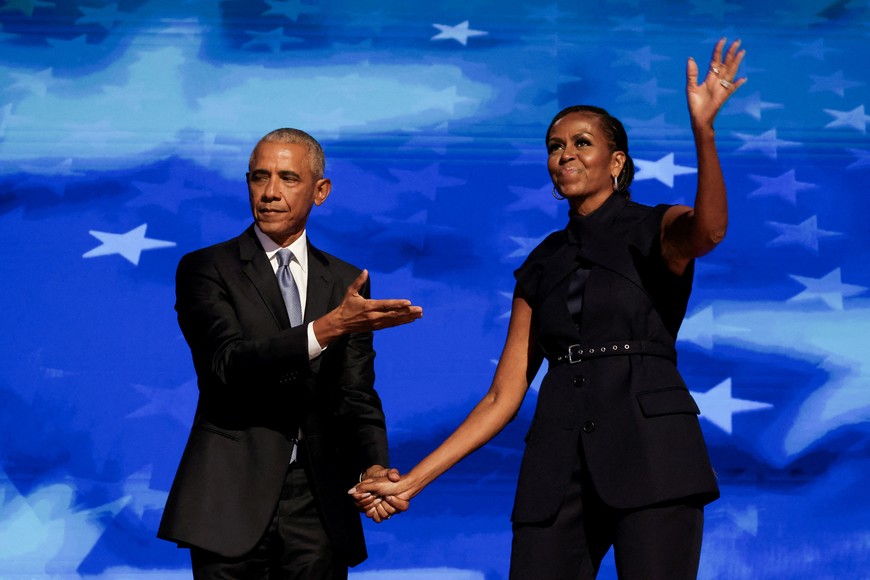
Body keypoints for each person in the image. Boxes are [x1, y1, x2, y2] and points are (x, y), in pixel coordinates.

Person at [352, 38, 746, 578]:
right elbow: (502, 396)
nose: (565, 154)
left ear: (617, 162)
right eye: (555, 145)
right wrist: (412, 482)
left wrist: (704, 131)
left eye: (582, 142)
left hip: (654, 455)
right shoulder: (541, 262)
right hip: (556, 467)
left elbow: (711, 230)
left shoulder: (654, 225)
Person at [157, 127, 423, 579]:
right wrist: (329, 326)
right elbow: (227, 364)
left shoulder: (344, 281)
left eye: (287, 178)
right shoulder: (206, 268)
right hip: (230, 500)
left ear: (320, 191)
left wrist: (373, 466)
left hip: (318, 502)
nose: (270, 193)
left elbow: (355, 393)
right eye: (259, 178)